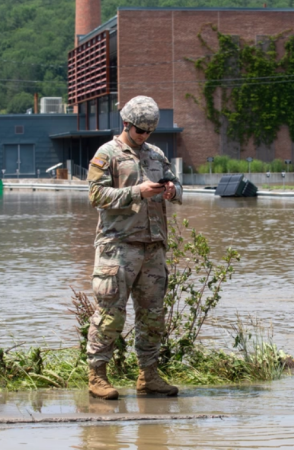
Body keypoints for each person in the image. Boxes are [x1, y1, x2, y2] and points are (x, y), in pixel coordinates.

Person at [85, 95, 183, 400]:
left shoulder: (156, 155)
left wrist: (170, 191)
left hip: (153, 248)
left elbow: (179, 189)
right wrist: (136, 193)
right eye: (140, 130)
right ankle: (97, 376)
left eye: (149, 132)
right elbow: (96, 195)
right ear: (126, 125)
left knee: (153, 315)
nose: (144, 136)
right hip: (118, 247)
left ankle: (148, 377)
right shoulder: (108, 154)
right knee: (110, 315)